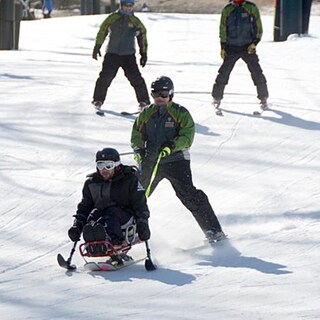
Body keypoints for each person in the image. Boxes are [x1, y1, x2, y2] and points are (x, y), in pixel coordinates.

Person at [131, 76, 226, 244]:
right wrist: (138, 150)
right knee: (136, 194)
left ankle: (213, 230)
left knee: (188, 194)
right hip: (151, 160)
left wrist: (172, 146)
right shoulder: (147, 113)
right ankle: (126, 233)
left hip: (176, 160)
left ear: (171, 94)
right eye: (155, 94)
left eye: (163, 93)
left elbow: (187, 136)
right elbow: (137, 134)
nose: (159, 98)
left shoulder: (180, 113)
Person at [68, 147, 151, 246]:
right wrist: (77, 226)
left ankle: (112, 241)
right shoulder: (91, 183)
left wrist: (143, 223)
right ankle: (94, 243)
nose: (104, 170)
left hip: (126, 221)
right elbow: (84, 207)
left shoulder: (130, 180)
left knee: (112, 213)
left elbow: (140, 203)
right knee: (94, 215)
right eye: (100, 165)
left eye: (108, 166)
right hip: (102, 219)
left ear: (116, 166)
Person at [91, 0, 150, 112]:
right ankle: (98, 100)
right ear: (121, 5)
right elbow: (102, 30)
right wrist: (97, 46)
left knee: (136, 79)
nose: (128, 8)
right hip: (112, 54)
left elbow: (142, 36)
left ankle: (144, 101)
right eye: (126, 5)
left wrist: (143, 53)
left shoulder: (135, 21)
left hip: (128, 55)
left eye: (131, 6)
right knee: (105, 78)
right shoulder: (113, 18)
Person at [211, 0, 269, 111]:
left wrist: (255, 42)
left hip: (248, 47)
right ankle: (216, 97)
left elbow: (258, 27)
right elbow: (223, 28)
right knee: (223, 73)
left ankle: (263, 98)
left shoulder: (251, 7)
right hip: (231, 47)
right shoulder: (227, 9)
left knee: (257, 72)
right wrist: (223, 46)